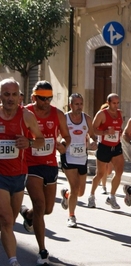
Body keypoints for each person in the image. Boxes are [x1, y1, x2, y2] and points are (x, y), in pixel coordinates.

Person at [20, 80, 71, 265]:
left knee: (48, 209)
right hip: (30, 164)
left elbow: (66, 136)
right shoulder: (25, 112)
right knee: (40, 205)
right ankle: (42, 250)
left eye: (49, 98)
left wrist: (63, 145)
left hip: (50, 163)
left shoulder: (58, 114)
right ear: (34, 97)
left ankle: (28, 215)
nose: (46, 102)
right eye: (42, 99)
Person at [0, 78, 44, 266]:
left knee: (10, 220)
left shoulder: (26, 116)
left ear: (20, 96)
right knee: (7, 219)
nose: (10, 98)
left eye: (14, 94)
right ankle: (13, 261)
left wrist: (29, 143)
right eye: (6, 94)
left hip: (18, 174)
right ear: (0, 95)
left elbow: (41, 139)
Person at [59, 93, 97, 227]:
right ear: (71, 105)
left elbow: (92, 135)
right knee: (75, 187)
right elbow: (57, 134)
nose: (79, 107)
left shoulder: (87, 118)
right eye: (76, 104)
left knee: (80, 192)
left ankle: (66, 195)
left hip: (82, 157)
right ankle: (71, 216)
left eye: (81, 104)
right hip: (68, 155)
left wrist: (92, 142)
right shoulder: (64, 118)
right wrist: (61, 145)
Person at [87, 93, 124, 209]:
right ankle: (91, 196)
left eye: (118, 103)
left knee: (119, 172)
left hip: (116, 146)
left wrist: (120, 132)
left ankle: (112, 196)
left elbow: (119, 127)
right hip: (104, 147)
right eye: (114, 103)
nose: (116, 105)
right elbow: (93, 129)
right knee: (100, 174)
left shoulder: (120, 113)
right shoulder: (102, 114)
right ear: (108, 103)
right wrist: (105, 133)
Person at [98, 103, 114, 195]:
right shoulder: (100, 120)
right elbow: (96, 130)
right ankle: (104, 187)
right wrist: (105, 132)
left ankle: (101, 178)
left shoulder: (114, 119)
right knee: (104, 168)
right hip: (103, 146)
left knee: (109, 171)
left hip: (113, 147)